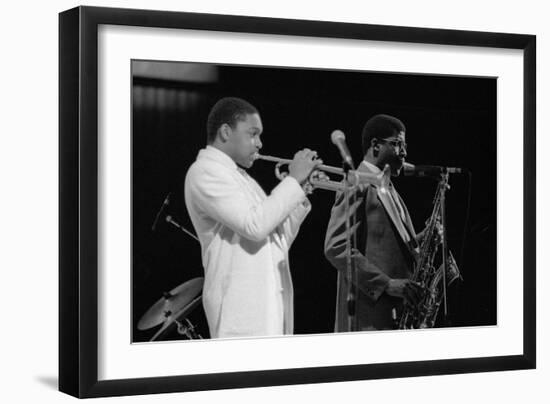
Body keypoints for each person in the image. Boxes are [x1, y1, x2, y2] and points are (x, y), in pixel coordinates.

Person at [184, 97, 321, 338]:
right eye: (253, 134)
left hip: (267, 306)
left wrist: (300, 193)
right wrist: (292, 181)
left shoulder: (243, 178)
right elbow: (255, 226)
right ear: (226, 132)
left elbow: (276, 242)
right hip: (241, 314)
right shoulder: (205, 171)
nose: (259, 144)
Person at [324, 114, 425, 331]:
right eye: (398, 144)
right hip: (369, 317)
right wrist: (386, 284)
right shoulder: (356, 182)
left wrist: (424, 238)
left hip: (396, 314)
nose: (405, 153)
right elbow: (337, 247)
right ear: (376, 145)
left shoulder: (390, 190)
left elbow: (389, 246)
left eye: (405, 145)